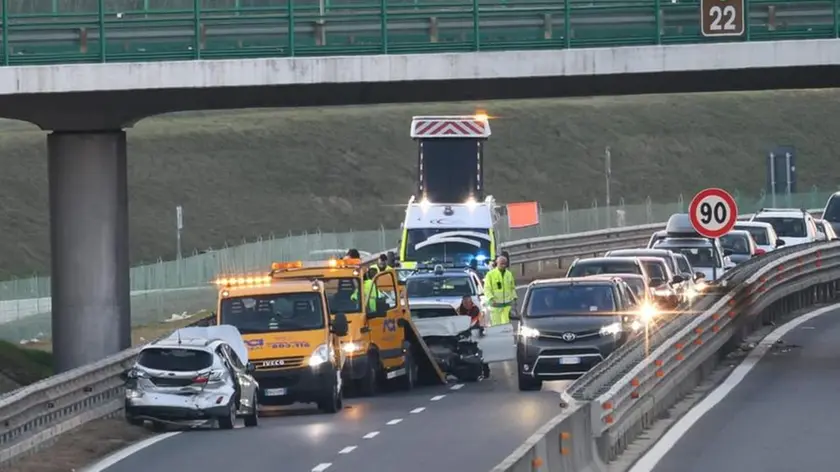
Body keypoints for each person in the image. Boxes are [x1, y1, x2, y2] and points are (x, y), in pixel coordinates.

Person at [483, 256, 517, 325]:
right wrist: (491, 298)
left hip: (506, 304)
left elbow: (512, 288)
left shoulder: (509, 274)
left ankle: (506, 335)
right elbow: (487, 288)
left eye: (505, 264)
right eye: (501, 264)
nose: (503, 265)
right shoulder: (490, 274)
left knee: (506, 324)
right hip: (495, 304)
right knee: (496, 324)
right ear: (497, 263)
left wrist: (514, 298)